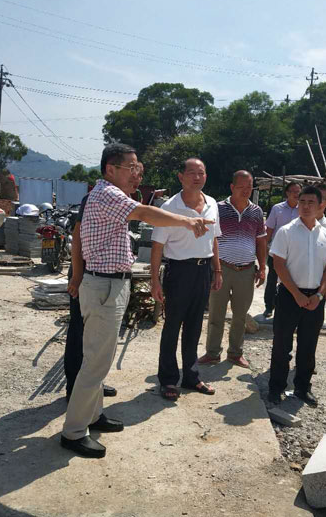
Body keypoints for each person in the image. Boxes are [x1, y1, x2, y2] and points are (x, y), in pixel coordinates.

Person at [61, 143, 213, 459]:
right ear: (110, 169)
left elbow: (137, 207)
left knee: (100, 359)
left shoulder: (108, 194)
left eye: (137, 168)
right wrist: (186, 221)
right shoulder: (108, 194)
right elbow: (144, 213)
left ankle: (93, 415)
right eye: (131, 168)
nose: (136, 173)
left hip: (109, 284)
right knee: (95, 363)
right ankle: (74, 431)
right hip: (103, 285)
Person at [64, 165, 145, 402]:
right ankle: (75, 388)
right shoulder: (96, 198)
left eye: (140, 175)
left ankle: (93, 386)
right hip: (88, 274)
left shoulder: (126, 200)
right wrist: (77, 276)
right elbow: (77, 238)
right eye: (133, 173)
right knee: (80, 332)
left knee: (99, 340)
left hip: (105, 274)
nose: (136, 179)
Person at [151, 158, 222, 401]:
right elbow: (157, 246)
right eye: (191, 173)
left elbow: (214, 239)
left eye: (201, 173)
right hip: (179, 271)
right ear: (180, 176)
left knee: (194, 326)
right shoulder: (170, 207)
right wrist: (154, 280)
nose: (197, 177)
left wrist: (217, 271)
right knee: (172, 326)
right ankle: (169, 379)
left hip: (203, 271)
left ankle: (191, 377)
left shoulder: (212, 203)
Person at [267, 185, 326, 406]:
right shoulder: (286, 232)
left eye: (311, 202)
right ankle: (276, 387)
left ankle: (303, 388)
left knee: (308, 345)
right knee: (282, 345)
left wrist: (319, 295)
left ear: (320, 205)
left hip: (315, 298)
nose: (306, 206)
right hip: (289, 296)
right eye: (302, 202)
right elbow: (278, 265)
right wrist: (296, 294)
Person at [198, 170, 267, 370]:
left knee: (240, 315)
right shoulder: (218, 208)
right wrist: (214, 269)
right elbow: (210, 238)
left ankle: (236, 353)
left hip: (246, 270)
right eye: (241, 186)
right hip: (222, 268)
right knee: (216, 314)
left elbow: (261, 241)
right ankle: (212, 353)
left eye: (249, 187)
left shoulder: (256, 212)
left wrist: (262, 267)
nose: (246, 190)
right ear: (232, 187)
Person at [262, 181, 301, 318]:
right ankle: (269, 306)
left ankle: (289, 306)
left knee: (293, 279)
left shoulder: (303, 209)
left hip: (295, 252)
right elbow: (269, 230)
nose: (296, 194)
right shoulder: (277, 209)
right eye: (293, 191)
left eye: (298, 192)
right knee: (272, 279)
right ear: (287, 193)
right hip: (277, 251)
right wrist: (264, 251)